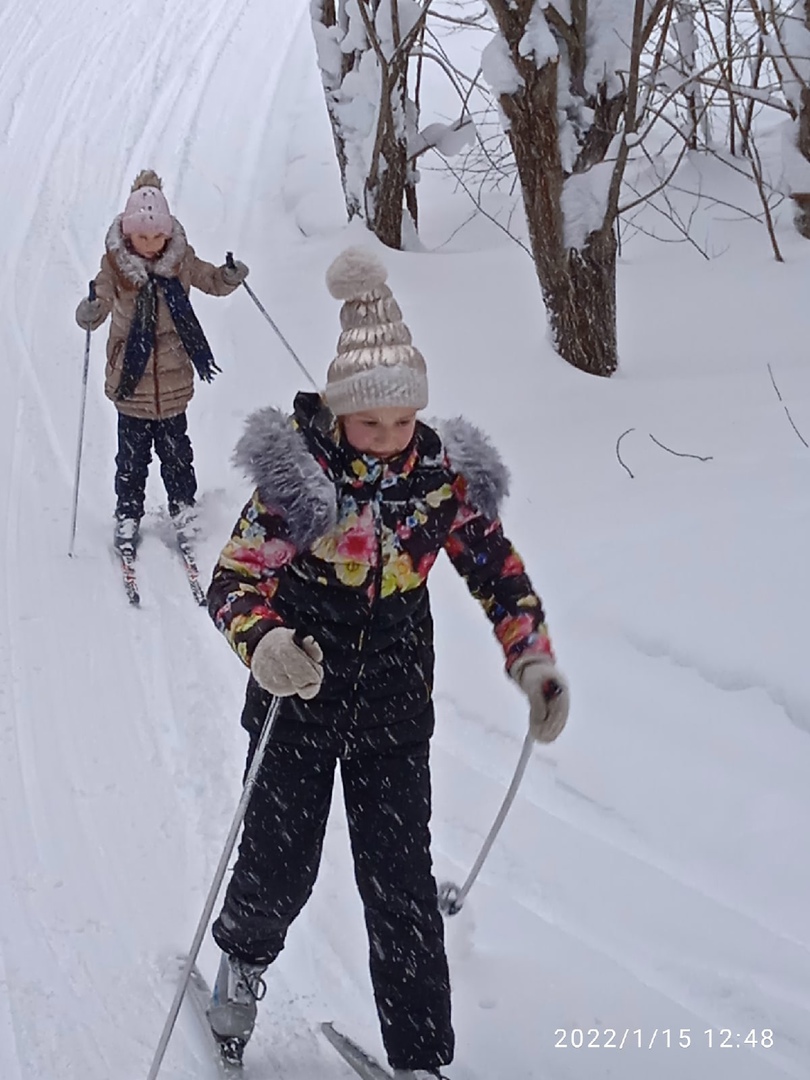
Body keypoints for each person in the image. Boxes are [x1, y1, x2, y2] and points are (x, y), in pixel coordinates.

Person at [204, 246, 570, 1080]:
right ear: (339, 413)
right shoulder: (300, 483)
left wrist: (533, 662)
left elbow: (497, 571)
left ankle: (419, 1056)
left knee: (402, 886)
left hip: (396, 708)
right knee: (279, 860)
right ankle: (242, 964)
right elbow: (233, 580)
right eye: (372, 423)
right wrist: (264, 643)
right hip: (299, 695)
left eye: (404, 421)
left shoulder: (440, 480)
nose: (388, 439)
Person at [74, 169, 248, 550]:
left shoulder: (181, 261)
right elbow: (102, 295)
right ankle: (128, 512)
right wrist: (92, 310)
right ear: (128, 234)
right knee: (131, 460)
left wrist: (229, 276)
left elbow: (210, 280)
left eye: (157, 236)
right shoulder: (114, 266)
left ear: (168, 232)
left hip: (173, 382)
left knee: (177, 455)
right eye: (142, 236)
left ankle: (183, 508)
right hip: (130, 382)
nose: (151, 243)